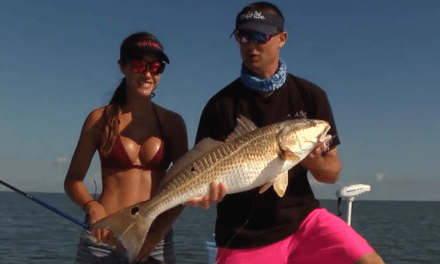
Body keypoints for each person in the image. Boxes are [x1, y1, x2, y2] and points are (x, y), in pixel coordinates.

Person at [194, 2, 385, 264]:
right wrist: (203, 194)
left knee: (370, 262)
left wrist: (305, 155)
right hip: (244, 234)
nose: (252, 44)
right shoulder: (219, 106)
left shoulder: (311, 96)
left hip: (304, 219)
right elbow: (200, 165)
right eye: (244, 36)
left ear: (281, 39)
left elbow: (331, 172)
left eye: (261, 36)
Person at [64, 32, 188, 264]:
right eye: (140, 65)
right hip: (104, 237)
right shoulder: (99, 119)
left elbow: (185, 186)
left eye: (156, 67)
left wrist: (158, 232)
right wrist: (92, 207)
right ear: (123, 66)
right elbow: (73, 180)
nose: (148, 73)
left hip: (154, 240)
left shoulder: (173, 123)